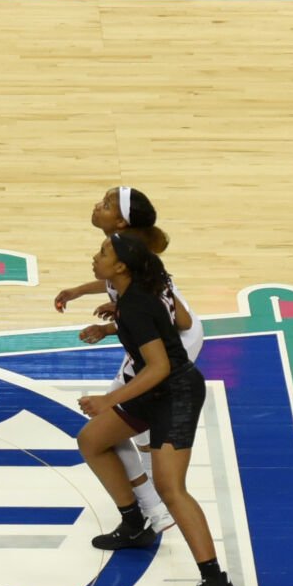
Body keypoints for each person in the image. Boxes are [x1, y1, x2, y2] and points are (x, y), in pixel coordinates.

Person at [75, 233, 236, 586]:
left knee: (170, 488)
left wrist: (108, 400)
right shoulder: (131, 296)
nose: (95, 257)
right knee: (92, 440)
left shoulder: (136, 303)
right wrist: (108, 330)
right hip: (153, 391)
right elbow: (164, 328)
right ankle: (135, 525)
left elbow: (161, 365)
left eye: (103, 253)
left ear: (121, 267)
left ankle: (216, 583)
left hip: (176, 395)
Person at [54, 186, 200, 538]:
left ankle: (152, 509)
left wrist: (121, 320)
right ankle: (152, 500)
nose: (97, 205)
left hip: (173, 348)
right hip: (169, 341)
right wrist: (87, 297)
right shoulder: (125, 255)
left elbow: (178, 321)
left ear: (120, 222)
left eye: (106, 204)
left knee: (108, 422)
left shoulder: (131, 261)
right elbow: (155, 309)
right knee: (133, 423)